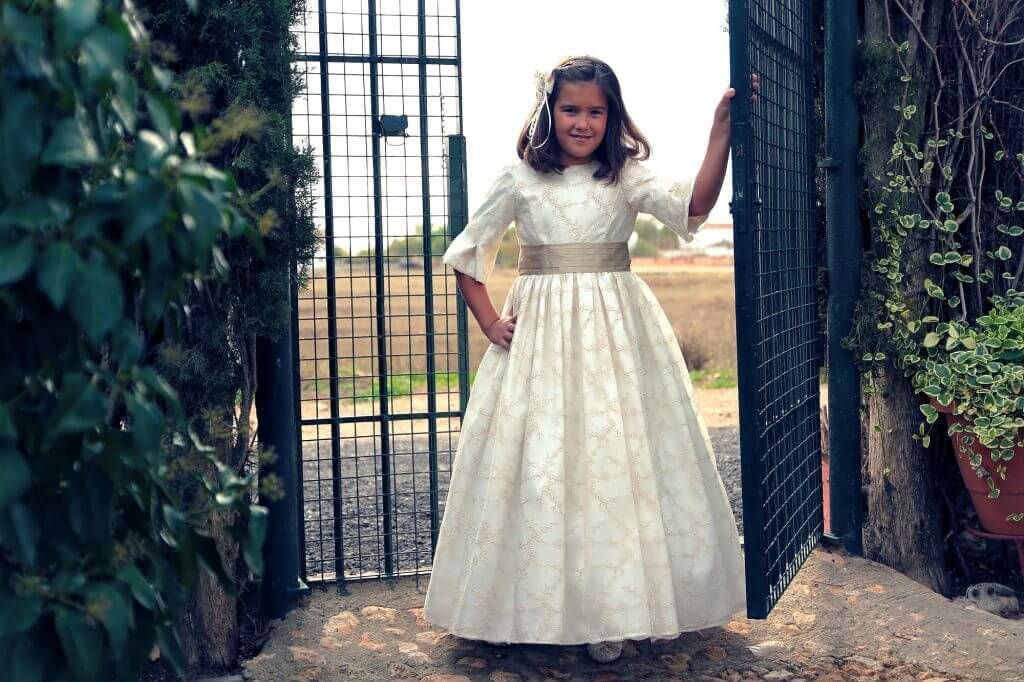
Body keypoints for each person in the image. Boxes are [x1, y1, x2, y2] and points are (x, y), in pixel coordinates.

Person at [423, 55, 754, 665]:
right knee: (542, 463)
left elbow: (692, 208)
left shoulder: (624, 176)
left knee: (613, 462)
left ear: (612, 116)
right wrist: (490, 322)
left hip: (616, 338)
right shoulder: (519, 179)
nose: (582, 122)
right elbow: (468, 254)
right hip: (540, 343)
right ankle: (516, 608)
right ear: (549, 112)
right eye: (570, 109)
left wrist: (721, 135)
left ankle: (613, 611)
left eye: (595, 112)